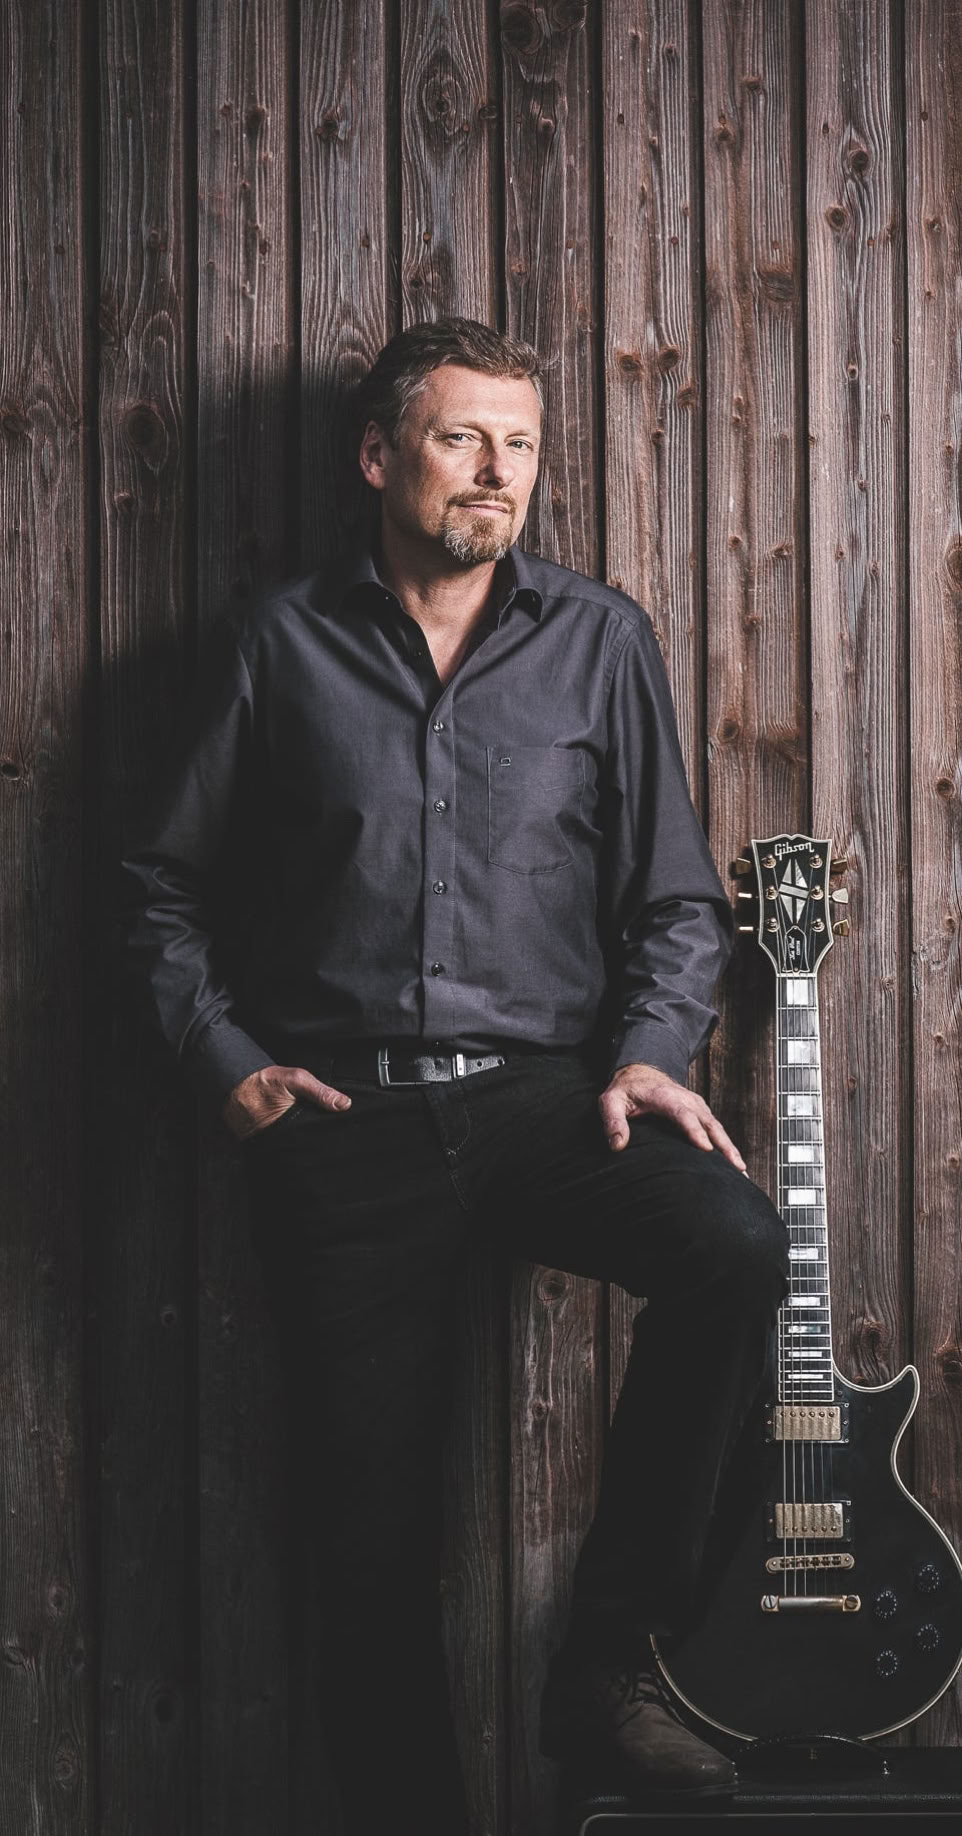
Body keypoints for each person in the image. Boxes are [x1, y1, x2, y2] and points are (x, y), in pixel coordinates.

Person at [122, 317, 788, 1834]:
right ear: (379, 457)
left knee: (740, 1250)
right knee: (366, 1539)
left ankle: (607, 1667)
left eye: (521, 444)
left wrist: (648, 1051)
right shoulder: (276, 643)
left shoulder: (598, 641)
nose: (498, 471)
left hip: (546, 1101)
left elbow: (677, 900)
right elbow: (158, 888)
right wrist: (224, 1058)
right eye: (461, 437)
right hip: (340, 1122)